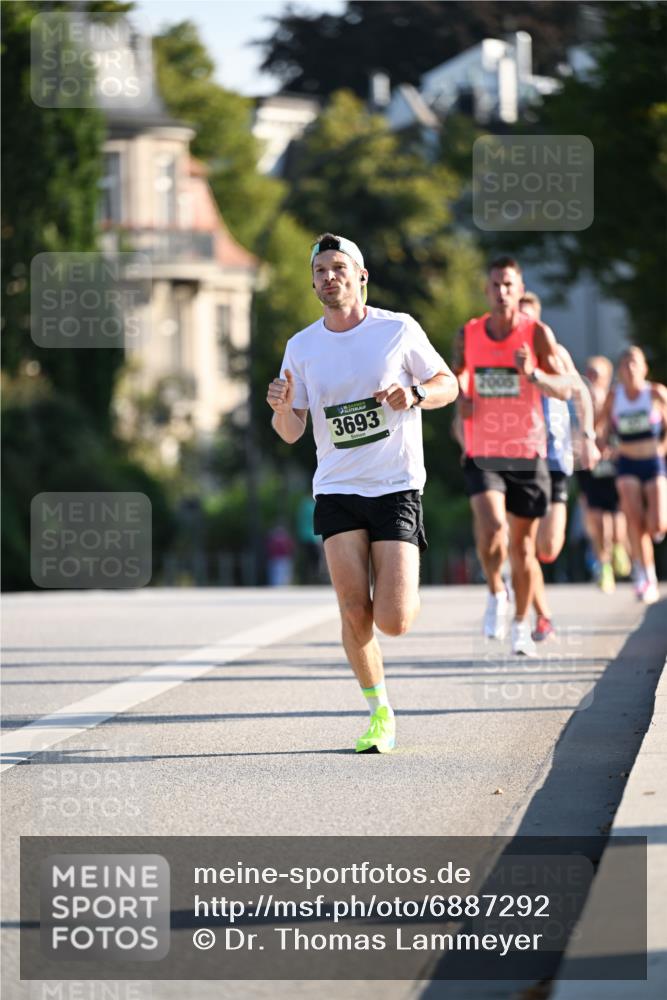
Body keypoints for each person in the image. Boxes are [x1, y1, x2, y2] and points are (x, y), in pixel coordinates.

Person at [266, 233, 458, 752]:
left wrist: (414, 394)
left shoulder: (397, 330)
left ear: (361, 276)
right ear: (312, 281)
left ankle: (406, 587)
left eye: (339, 268)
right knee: (354, 609)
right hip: (337, 488)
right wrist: (281, 405)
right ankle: (379, 713)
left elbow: (449, 383)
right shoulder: (301, 347)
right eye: (321, 270)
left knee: (392, 619)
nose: (330, 277)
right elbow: (290, 431)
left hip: (395, 484)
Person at [452, 258, 572, 655]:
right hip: (483, 450)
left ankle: (522, 625)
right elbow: (456, 378)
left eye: (509, 285)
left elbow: (564, 389)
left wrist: (534, 374)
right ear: (486, 292)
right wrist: (463, 397)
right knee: (492, 528)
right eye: (495, 285)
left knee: (523, 549)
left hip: (526, 452)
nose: (502, 292)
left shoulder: (536, 333)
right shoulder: (469, 333)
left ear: (520, 290)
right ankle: (495, 592)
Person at [518, 292, 600, 641]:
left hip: (554, 456)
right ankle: (542, 616)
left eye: (527, 318)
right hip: (517, 456)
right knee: (523, 544)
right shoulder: (501, 354)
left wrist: (589, 435)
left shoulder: (555, 353)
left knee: (548, 547)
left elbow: (580, 393)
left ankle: (531, 585)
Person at [597, 346, 667, 604]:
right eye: (625, 364)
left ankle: (646, 555)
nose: (630, 369)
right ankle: (645, 575)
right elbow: (600, 423)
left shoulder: (656, 393)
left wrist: (663, 447)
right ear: (620, 370)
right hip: (626, 462)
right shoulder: (615, 397)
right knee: (635, 522)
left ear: (644, 367)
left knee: (658, 524)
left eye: (635, 363)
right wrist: (602, 444)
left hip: (653, 461)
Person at [576, 356, 631, 593]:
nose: (592, 376)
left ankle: (619, 546)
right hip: (589, 465)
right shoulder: (579, 399)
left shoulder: (615, 399)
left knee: (616, 519)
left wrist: (613, 447)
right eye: (589, 372)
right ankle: (604, 566)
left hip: (613, 464)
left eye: (597, 373)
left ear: (607, 376)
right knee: (597, 520)